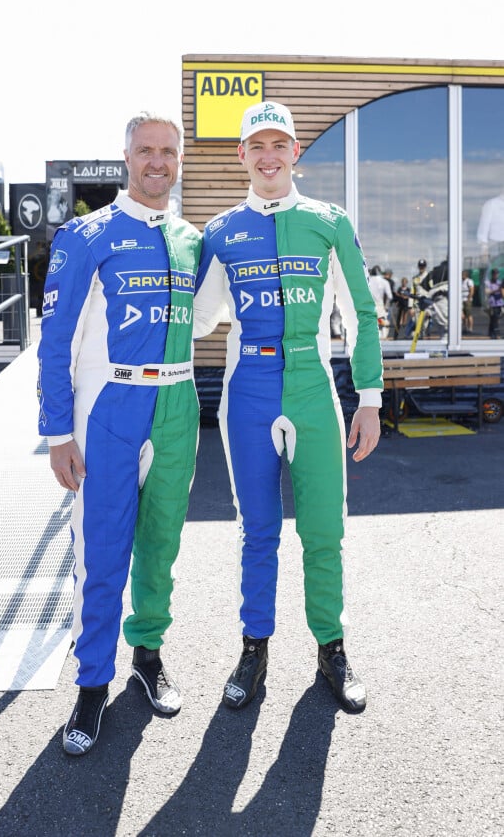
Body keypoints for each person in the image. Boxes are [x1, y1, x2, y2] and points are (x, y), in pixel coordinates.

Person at [193, 100, 383, 714]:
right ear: (241, 155)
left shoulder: (330, 221)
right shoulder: (220, 232)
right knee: (257, 531)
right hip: (247, 384)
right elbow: (197, 320)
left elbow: (361, 314)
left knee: (324, 528)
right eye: (257, 145)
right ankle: (254, 648)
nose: (269, 156)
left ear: (295, 153)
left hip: (312, 383)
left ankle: (332, 646)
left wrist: (371, 399)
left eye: (280, 145)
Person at [37, 112, 202, 756]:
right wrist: (57, 432)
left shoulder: (193, 240)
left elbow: (212, 313)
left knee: (160, 545)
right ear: (126, 156)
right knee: (101, 549)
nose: (157, 161)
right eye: (145, 150)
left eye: (168, 151)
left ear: (178, 158)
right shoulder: (87, 234)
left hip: (178, 402)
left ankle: (148, 655)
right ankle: (90, 688)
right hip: (109, 408)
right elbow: (55, 343)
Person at [404, 258, 429, 338]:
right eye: (420, 266)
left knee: (425, 326)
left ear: (425, 267)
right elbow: (412, 293)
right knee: (418, 325)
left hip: (427, 305)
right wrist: (410, 307)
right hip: (417, 305)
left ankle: (424, 341)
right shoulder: (415, 278)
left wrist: (431, 308)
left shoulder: (430, 277)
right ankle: (418, 344)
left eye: (423, 266)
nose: (421, 268)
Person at [368, 265, 393, 339]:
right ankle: (383, 343)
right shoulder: (384, 282)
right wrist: (386, 307)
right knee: (383, 325)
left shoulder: (367, 281)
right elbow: (390, 296)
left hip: (369, 306)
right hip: (380, 306)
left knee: (371, 325)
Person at [484, 267, 504, 339]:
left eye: (496, 274)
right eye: (494, 274)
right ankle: (494, 332)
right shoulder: (488, 283)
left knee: (496, 318)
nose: (495, 275)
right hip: (492, 303)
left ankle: (491, 332)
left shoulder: (499, 283)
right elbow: (487, 292)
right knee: (494, 318)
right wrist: (496, 290)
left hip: (500, 303)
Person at [461, 269, 475, 335]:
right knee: (463, 315)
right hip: (461, 299)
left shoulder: (469, 281)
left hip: (467, 300)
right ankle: (465, 327)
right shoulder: (461, 281)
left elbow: (471, 290)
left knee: (468, 314)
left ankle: (470, 328)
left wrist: (468, 299)